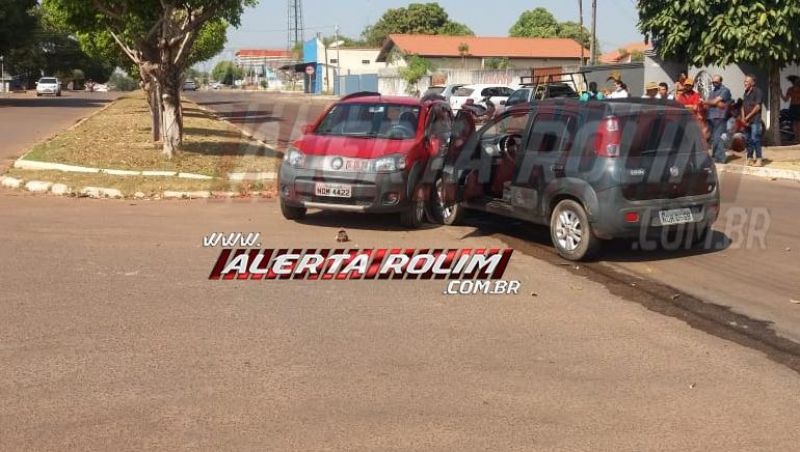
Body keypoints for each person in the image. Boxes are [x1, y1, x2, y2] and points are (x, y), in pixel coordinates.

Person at [703, 75, 732, 163]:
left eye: (716, 82)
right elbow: (712, 103)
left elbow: (714, 102)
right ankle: (715, 157)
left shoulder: (725, 90)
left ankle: (721, 158)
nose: (714, 83)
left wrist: (706, 102)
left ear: (720, 82)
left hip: (720, 117)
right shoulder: (712, 92)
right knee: (713, 139)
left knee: (718, 137)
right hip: (711, 117)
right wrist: (713, 103)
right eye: (713, 82)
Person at [741, 74, 764, 166]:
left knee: (755, 139)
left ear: (753, 83)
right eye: (744, 81)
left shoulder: (758, 91)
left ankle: (759, 159)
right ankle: (749, 158)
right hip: (747, 121)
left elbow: (758, 107)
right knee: (748, 139)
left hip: (755, 120)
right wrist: (743, 118)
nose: (745, 83)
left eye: (747, 81)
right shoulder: (745, 93)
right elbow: (743, 106)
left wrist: (747, 117)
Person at [780, 75, 800, 143]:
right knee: (794, 123)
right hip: (793, 107)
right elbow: (786, 99)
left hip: (798, 107)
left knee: (798, 123)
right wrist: (780, 93)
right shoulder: (790, 89)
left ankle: (798, 138)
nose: (797, 82)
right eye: (796, 81)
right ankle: (797, 138)